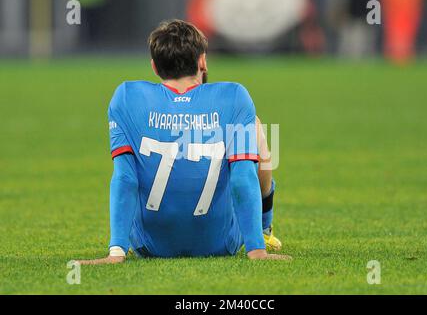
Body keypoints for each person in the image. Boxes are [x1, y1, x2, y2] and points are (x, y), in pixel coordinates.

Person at [78, 20, 291, 264]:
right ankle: (264, 231)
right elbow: (243, 177)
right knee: (255, 126)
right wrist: (255, 250)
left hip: (150, 245)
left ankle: (118, 249)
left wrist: (116, 252)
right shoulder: (234, 96)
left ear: (155, 67)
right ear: (202, 61)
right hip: (220, 242)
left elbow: (125, 178)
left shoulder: (126, 97)